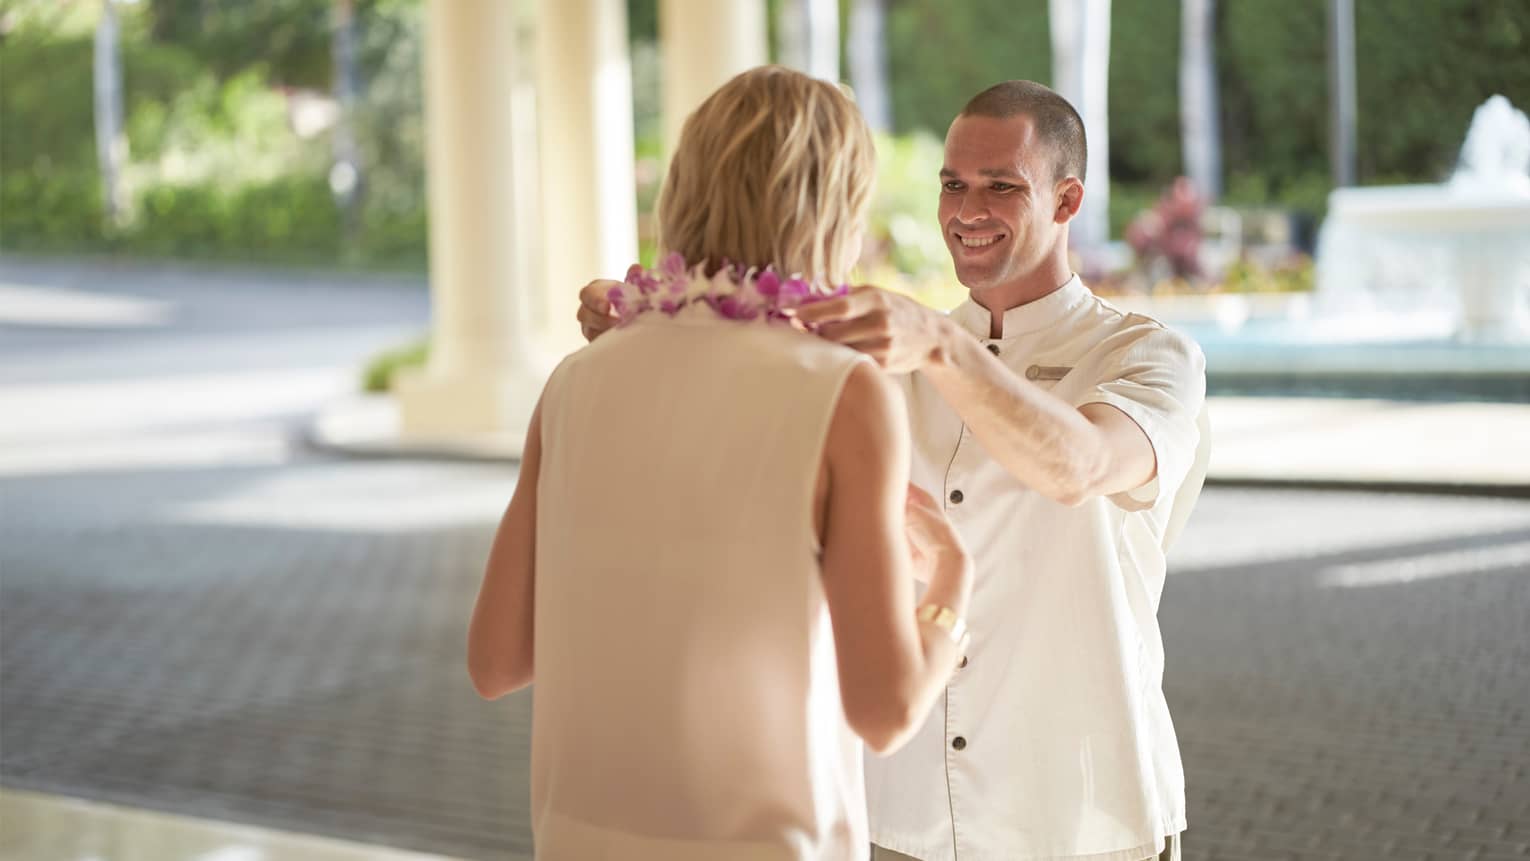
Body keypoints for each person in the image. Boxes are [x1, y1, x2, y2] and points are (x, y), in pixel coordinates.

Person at [579, 80, 1208, 861]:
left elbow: (1080, 465)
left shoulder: (1150, 357)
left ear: (1067, 199)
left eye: (1001, 187)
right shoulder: (891, 355)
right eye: (952, 184)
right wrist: (647, 324)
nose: (965, 209)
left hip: (1081, 814)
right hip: (901, 816)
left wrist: (942, 349)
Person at [468, 65, 975, 861]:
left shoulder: (574, 381)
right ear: (835, 205)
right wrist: (950, 577)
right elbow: (885, 710)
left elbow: (496, 661)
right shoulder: (843, 392)